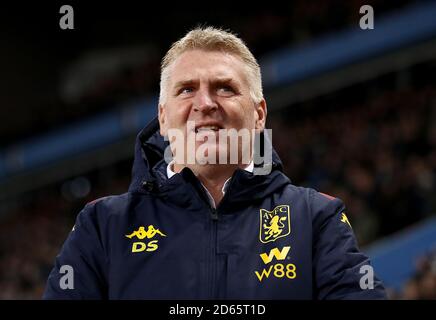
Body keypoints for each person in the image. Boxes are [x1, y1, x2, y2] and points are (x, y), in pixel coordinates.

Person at [43, 26, 386, 299]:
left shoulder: (315, 219)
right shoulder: (102, 227)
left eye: (224, 88)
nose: (205, 103)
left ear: (258, 114)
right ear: (163, 118)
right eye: (187, 90)